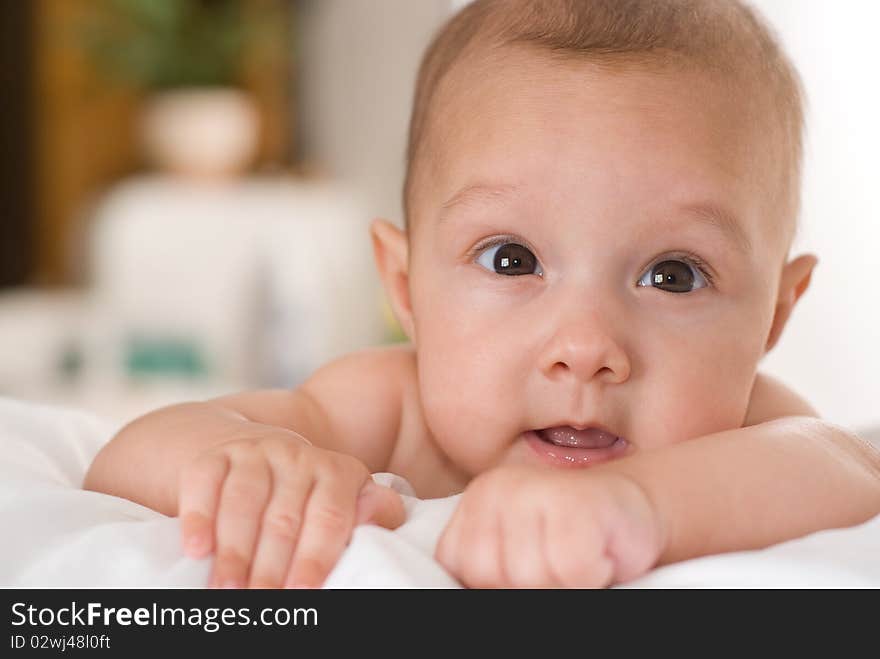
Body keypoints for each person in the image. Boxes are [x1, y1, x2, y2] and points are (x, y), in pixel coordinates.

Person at [84, 0, 880, 589]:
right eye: (511, 259)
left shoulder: (740, 434)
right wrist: (251, 463)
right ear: (405, 287)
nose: (585, 347)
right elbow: (127, 454)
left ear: (775, 313)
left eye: (673, 275)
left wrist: (643, 505)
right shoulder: (391, 411)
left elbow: (844, 468)